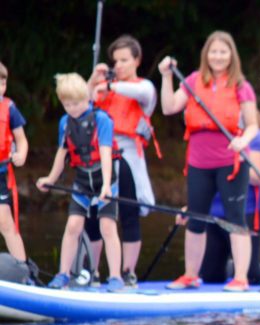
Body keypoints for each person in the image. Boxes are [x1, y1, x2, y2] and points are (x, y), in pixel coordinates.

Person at [159, 30, 258, 292]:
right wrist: (167, 76)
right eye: (213, 52)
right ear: (206, 55)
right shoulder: (192, 80)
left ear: (231, 56)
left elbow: (253, 126)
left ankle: (240, 278)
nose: (218, 56)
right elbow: (169, 107)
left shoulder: (241, 86)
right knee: (196, 218)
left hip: (231, 161)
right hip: (198, 162)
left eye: (223, 52)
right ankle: (190, 275)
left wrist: (242, 140)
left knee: (235, 218)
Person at [36, 73, 124, 292]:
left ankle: (115, 277)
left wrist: (105, 185)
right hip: (82, 180)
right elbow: (62, 154)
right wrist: (50, 179)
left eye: (76, 104)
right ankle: (63, 274)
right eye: (67, 105)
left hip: (105, 179)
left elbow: (105, 152)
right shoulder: (65, 123)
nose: (72, 109)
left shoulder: (101, 120)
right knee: (73, 225)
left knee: (107, 226)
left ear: (87, 99)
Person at [85, 34, 159, 288]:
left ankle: (128, 272)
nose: (119, 66)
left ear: (137, 60)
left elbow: (140, 92)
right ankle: (92, 272)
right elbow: (79, 103)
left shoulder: (144, 88)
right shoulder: (101, 88)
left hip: (127, 156)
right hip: (100, 157)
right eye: (116, 61)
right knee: (93, 213)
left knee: (129, 214)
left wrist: (111, 85)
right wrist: (93, 81)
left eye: (124, 60)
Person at [199, 113, 260, 284]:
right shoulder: (213, 136)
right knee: (210, 276)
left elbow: (258, 177)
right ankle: (232, 265)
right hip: (216, 212)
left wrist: (233, 161)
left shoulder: (257, 138)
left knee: (252, 275)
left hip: (246, 212)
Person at [0, 61, 30, 266]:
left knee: (6, 222)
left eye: (2, 84)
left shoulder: (9, 108)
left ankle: (22, 270)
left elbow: (21, 139)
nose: (0, 89)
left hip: (1, 173)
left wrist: (22, 154)